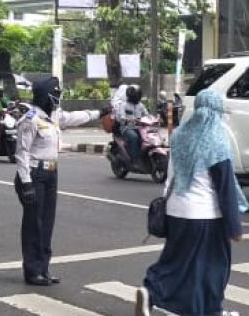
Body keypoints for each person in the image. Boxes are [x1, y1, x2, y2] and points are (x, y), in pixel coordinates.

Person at [134, 88, 247, 316]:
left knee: (176, 261)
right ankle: (211, 310)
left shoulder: (181, 135)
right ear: (216, 112)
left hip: (176, 211)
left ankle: (151, 290)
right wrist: (234, 227)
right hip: (205, 214)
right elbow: (225, 187)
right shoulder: (216, 140)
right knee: (215, 264)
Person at [14, 77, 110, 286]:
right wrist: (26, 184)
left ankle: (44, 268)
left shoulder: (54, 116)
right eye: (55, 94)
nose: (58, 98)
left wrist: (100, 112)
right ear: (46, 96)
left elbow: (75, 117)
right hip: (33, 175)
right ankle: (32, 271)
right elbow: (21, 154)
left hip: (50, 174)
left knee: (47, 223)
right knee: (34, 224)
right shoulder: (30, 120)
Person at [114, 85, 149, 167]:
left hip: (139, 128)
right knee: (134, 137)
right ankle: (134, 160)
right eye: (136, 94)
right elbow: (121, 118)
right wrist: (127, 120)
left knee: (148, 139)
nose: (137, 96)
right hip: (126, 128)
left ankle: (145, 158)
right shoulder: (123, 105)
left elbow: (147, 115)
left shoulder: (141, 105)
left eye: (138, 94)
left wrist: (154, 119)